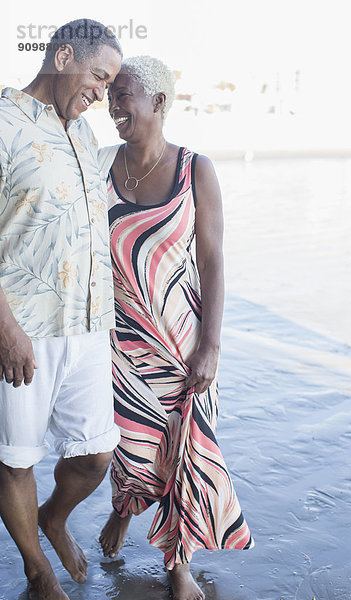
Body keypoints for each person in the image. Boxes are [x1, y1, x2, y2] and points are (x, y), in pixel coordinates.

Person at [98, 56, 254, 600]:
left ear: (158, 103)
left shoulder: (195, 169)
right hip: (119, 343)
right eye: (110, 95)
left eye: (124, 96)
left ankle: (178, 560)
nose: (113, 105)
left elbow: (213, 262)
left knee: (186, 446)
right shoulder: (100, 167)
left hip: (183, 341)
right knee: (130, 446)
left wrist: (211, 344)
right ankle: (123, 508)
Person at [0, 19, 122, 600]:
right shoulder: (3, 122)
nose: (102, 92)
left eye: (110, 83)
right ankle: (36, 569)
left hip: (90, 326)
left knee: (98, 455)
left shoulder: (85, 136)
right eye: (99, 76)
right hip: (23, 327)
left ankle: (53, 517)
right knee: (17, 458)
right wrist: (4, 327)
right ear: (63, 55)